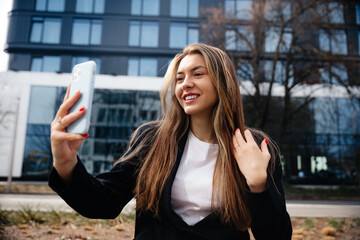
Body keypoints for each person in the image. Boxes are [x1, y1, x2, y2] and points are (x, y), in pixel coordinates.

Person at [49, 43, 292, 240]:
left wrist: (259, 184)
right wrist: (65, 163)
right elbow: (104, 204)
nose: (185, 83)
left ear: (223, 83)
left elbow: (276, 236)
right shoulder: (152, 140)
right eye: (179, 78)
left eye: (198, 74)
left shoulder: (256, 147)